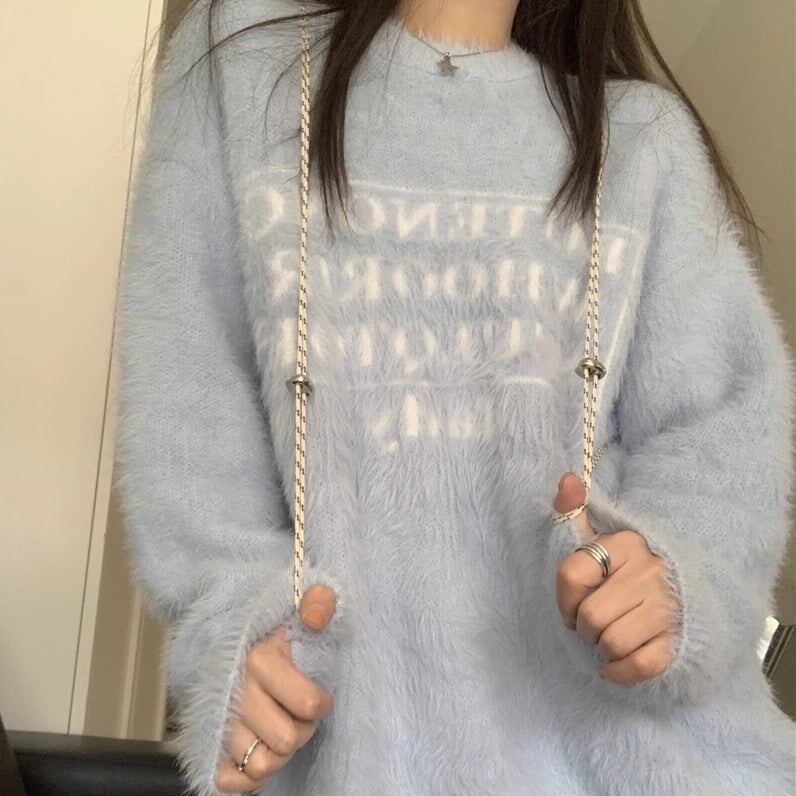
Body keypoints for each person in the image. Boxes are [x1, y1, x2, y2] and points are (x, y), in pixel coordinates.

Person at [113, 0, 796, 794]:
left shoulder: (643, 138)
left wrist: (673, 588)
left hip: (637, 757)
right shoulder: (244, 62)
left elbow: (722, 430)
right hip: (362, 751)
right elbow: (189, 415)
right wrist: (235, 632)